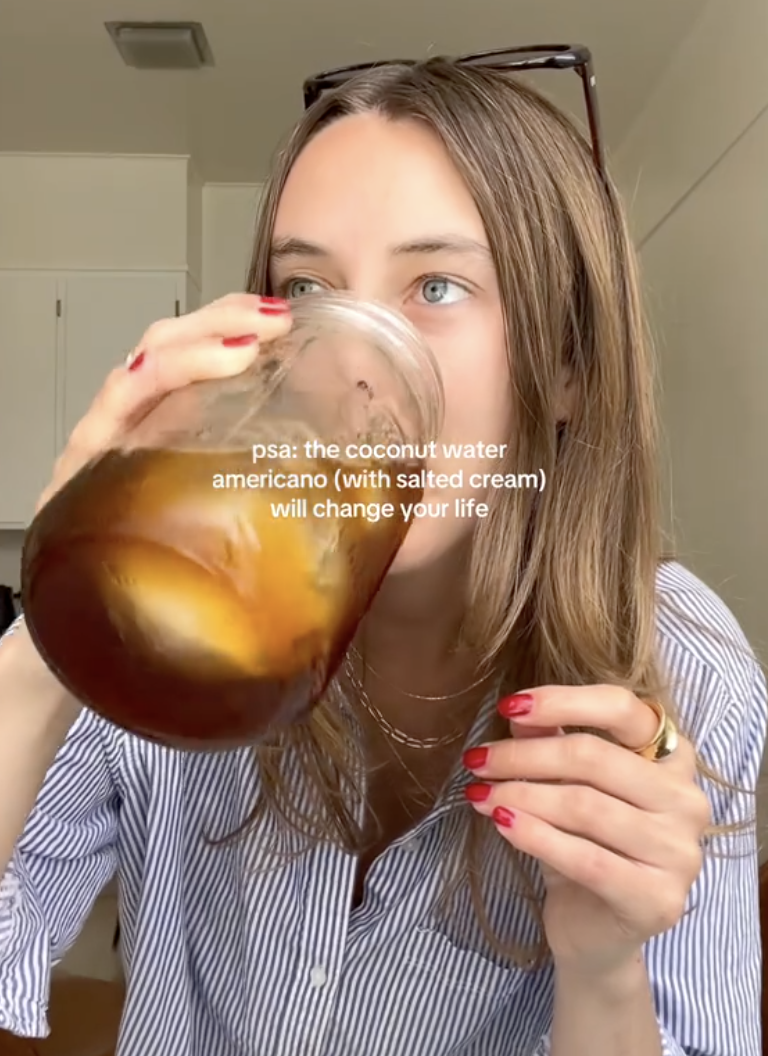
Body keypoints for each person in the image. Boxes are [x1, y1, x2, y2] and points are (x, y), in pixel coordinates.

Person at [0, 55, 764, 1056]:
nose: (351, 362)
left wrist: (602, 968)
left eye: (436, 286)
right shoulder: (164, 601)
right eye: (306, 287)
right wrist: (41, 643)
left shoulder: (681, 674)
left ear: (567, 363)